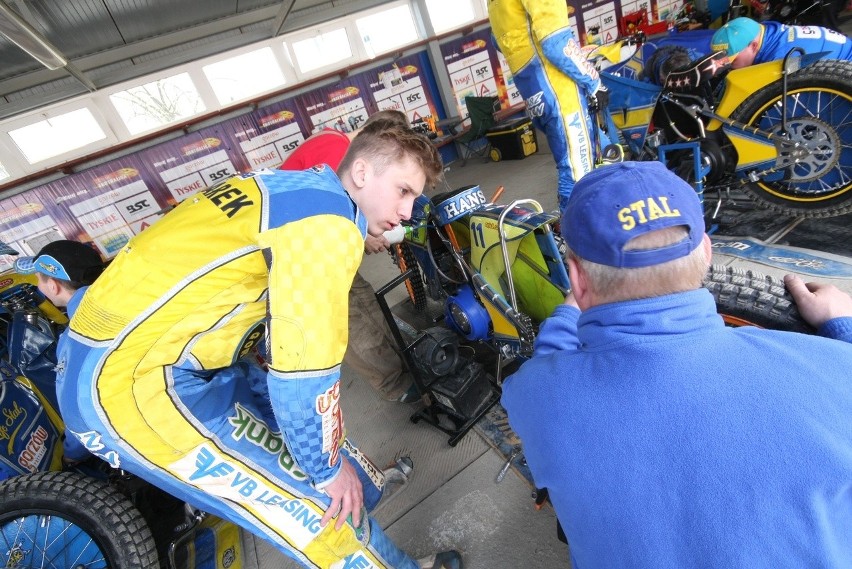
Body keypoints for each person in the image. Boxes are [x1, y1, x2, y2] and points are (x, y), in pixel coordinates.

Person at [57, 122, 462, 569]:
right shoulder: (328, 228)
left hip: (146, 352)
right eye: (403, 191)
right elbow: (302, 378)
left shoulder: (303, 189)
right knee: (308, 502)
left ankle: (361, 495)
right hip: (132, 385)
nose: (407, 212)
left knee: (312, 440)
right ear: (362, 172)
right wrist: (325, 473)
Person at [502, 160, 852, 568]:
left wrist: (566, 313)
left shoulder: (535, 394)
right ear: (706, 252)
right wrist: (842, 326)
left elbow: (548, 363)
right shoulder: (835, 368)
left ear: (577, 279)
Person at [281, 109, 419, 403]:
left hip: (320, 245)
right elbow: (332, 210)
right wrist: (369, 236)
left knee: (364, 297)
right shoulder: (338, 150)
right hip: (301, 256)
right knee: (351, 320)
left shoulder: (334, 140)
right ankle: (397, 384)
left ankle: (405, 360)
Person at [488, 0, 611, 212]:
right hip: (560, 91)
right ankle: (577, 239)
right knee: (578, 176)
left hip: (534, 91)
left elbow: (496, 40)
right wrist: (594, 82)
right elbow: (555, 42)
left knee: (586, 161)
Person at [14, 239, 105, 464]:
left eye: (38, 279)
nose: (37, 287)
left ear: (53, 286)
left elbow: (79, 412)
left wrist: (71, 454)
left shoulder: (76, 338)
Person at [711, 16, 852, 69]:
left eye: (732, 60)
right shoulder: (766, 30)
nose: (728, 65)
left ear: (753, 46)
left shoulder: (781, 57)